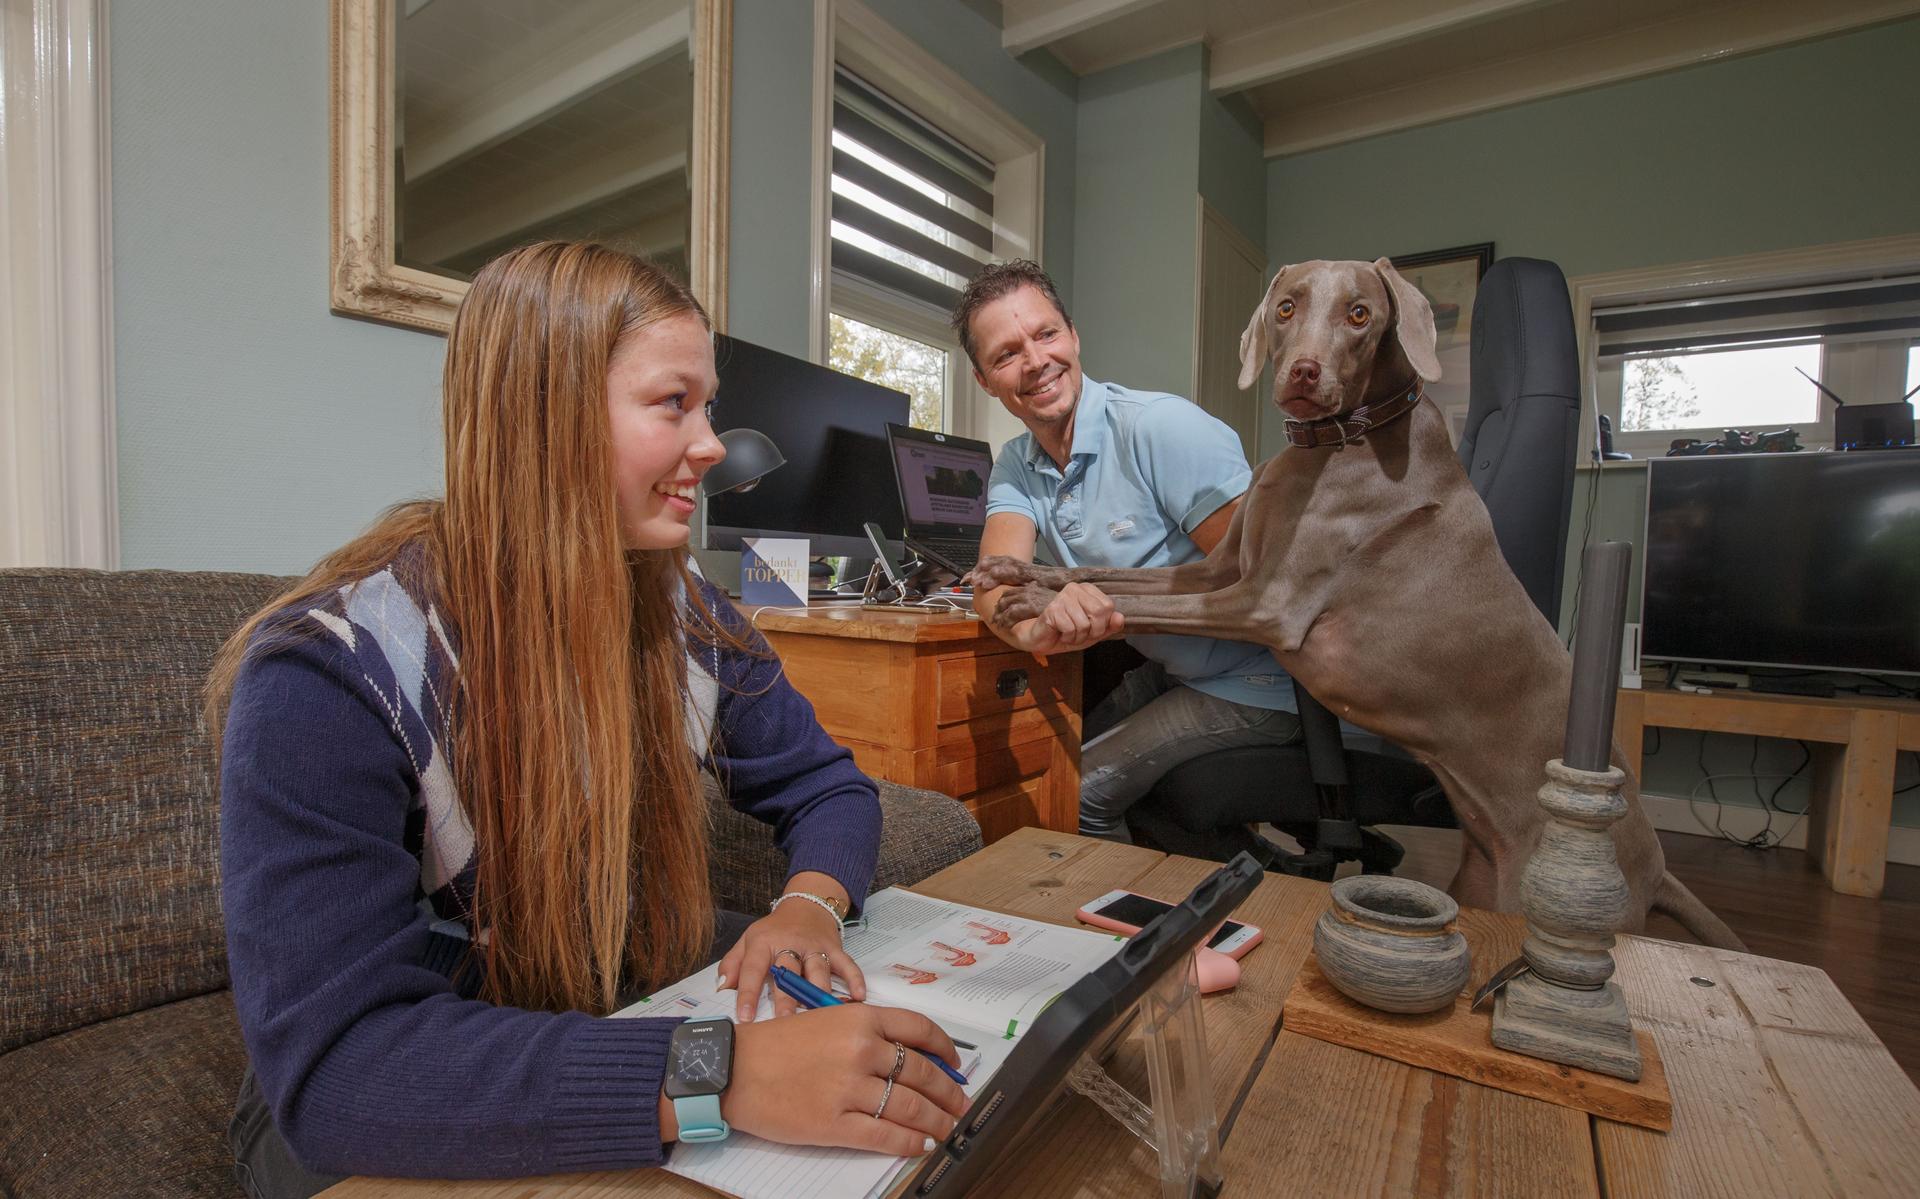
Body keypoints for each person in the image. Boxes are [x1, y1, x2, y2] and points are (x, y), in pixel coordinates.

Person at [210, 242, 966, 1198]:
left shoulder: (689, 613)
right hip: (380, 1104)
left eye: (710, 405)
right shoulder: (329, 674)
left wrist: (807, 902)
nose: (711, 444)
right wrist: (721, 1072)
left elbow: (825, 783)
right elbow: (339, 1069)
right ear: (547, 418)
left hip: (600, 988)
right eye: (673, 404)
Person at [953, 260, 1302, 843]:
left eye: (1045, 335)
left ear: (1073, 335)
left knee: (1078, 793)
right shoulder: (1018, 461)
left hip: (1260, 684)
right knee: (1051, 757)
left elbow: (1269, 589)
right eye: (1006, 354)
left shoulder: (1159, 429)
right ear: (985, 380)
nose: (1036, 361)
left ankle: (1119, 932)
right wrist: (1037, 632)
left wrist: (1103, 601)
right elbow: (994, 584)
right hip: (1180, 673)